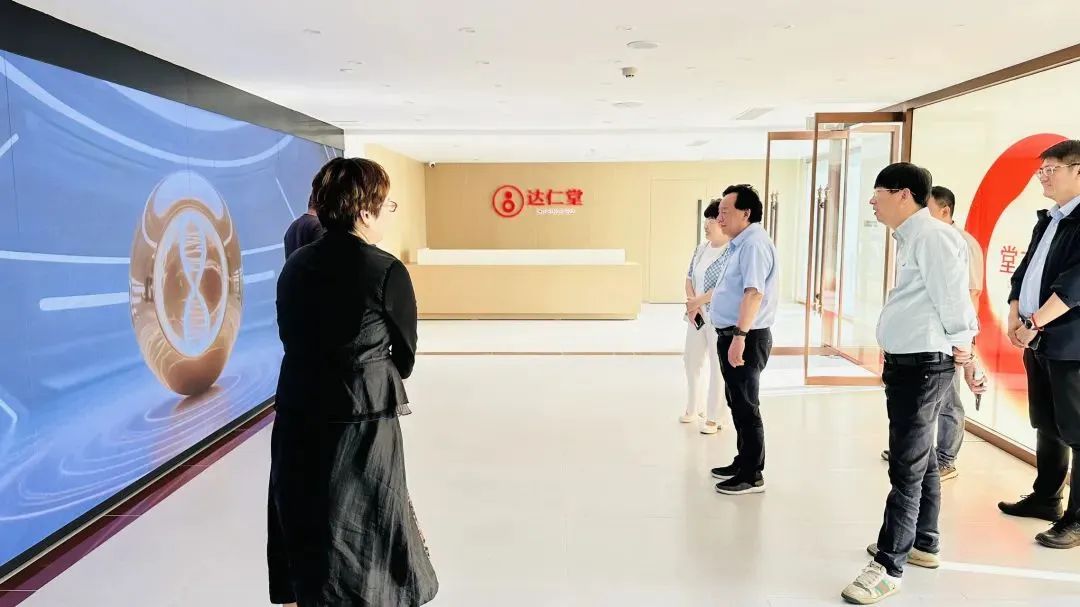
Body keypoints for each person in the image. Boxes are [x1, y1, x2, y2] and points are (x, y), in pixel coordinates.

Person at [267, 157, 438, 606]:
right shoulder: (386, 270)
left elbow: (291, 336)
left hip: (299, 413)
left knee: (306, 519)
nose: (388, 213)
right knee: (367, 524)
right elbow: (405, 357)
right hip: (362, 417)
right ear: (365, 211)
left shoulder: (295, 265)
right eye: (387, 204)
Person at [841, 163, 983, 605]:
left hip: (924, 365)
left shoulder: (933, 237)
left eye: (878, 192)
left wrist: (967, 353)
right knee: (919, 459)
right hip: (911, 363)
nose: (872, 201)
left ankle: (889, 566)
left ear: (903, 194)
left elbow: (954, 301)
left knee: (905, 465)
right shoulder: (912, 237)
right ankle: (924, 541)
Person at [999, 139, 1080, 550]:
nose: (1043, 177)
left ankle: (1077, 520)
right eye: (1041, 170)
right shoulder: (1049, 219)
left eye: (1052, 169)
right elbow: (1025, 271)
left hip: (1071, 345)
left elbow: (1074, 286)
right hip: (1039, 340)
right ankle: (1047, 497)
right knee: (1047, 424)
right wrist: (1015, 314)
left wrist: (1034, 322)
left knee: (1077, 431)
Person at [880, 186, 984, 481]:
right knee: (933, 405)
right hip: (938, 335)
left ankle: (946, 458)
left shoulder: (952, 240)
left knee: (949, 401)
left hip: (949, 338)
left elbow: (967, 295)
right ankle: (922, 452)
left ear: (945, 210)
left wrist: (965, 344)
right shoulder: (921, 237)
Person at [706, 184, 778, 496]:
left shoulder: (753, 245)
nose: (719, 218)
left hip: (746, 336)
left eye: (725, 212)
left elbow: (754, 293)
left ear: (746, 213)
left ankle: (752, 474)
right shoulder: (741, 243)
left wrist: (739, 336)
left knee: (746, 405)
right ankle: (743, 461)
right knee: (736, 401)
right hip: (735, 334)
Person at [681, 199, 730, 435]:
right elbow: (689, 278)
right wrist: (692, 306)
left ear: (722, 222)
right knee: (691, 360)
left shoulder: (731, 251)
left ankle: (714, 417)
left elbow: (724, 286)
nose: (707, 225)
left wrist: (697, 302)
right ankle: (694, 407)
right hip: (697, 316)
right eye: (706, 220)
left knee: (717, 366)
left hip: (718, 317)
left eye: (712, 220)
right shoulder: (701, 249)